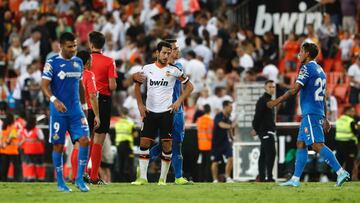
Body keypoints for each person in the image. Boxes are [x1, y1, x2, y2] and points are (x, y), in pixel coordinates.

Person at [268, 42, 350, 187]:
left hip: (311, 113)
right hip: (315, 112)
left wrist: (276, 101)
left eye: (301, 51)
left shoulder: (306, 68)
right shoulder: (320, 70)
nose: (298, 54)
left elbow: (294, 90)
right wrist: (324, 116)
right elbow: (323, 96)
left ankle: (340, 172)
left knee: (316, 144)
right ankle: (295, 179)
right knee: (300, 144)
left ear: (307, 54)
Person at [131, 41, 193, 185]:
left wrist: (178, 102)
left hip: (168, 112)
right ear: (157, 53)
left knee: (169, 145)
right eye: (164, 53)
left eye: (169, 53)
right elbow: (136, 84)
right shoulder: (147, 68)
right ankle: (142, 178)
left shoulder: (175, 69)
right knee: (144, 142)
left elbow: (189, 86)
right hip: (150, 112)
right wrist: (140, 105)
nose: (167, 55)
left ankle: (165, 179)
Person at [41, 32, 90, 192]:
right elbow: (44, 86)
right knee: (58, 146)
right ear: (61, 46)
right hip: (58, 112)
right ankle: (61, 182)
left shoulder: (78, 62)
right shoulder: (52, 62)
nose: (73, 49)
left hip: (76, 111)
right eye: (70, 46)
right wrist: (54, 100)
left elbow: (81, 85)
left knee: (85, 140)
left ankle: (79, 179)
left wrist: (84, 106)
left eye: (75, 45)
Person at [88, 31, 117, 185]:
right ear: (102, 45)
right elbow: (112, 85)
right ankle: (94, 177)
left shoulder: (84, 60)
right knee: (99, 140)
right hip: (103, 100)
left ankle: (80, 174)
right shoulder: (109, 61)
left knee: (85, 139)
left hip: (87, 100)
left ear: (90, 44)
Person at [71, 50, 100, 183]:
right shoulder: (88, 74)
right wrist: (97, 116)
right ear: (87, 62)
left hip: (71, 111)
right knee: (85, 143)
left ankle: (74, 176)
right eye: (91, 60)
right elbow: (93, 96)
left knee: (76, 144)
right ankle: (81, 175)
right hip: (86, 111)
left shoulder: (70, 74)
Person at [252, 80, 276, 182]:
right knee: (271, 153)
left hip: (268, 131)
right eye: (269, 87)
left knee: (264, 154)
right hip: (265, 131)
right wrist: (255, 128)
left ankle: (262, 177)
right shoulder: (263, 100)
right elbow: (257, 116)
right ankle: (269, 177)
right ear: (265, 88)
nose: (272, 89)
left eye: (273, 87)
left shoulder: (269, 100)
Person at [211, 100, 235, 183]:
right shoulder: (219, 115)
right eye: (230, 107)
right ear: (225, 107)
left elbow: (229, 130)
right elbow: (221, 125)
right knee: (215, 161)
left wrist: (232, 138)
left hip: (225, 142)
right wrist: (231, 126)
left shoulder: (229, 117)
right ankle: (215, 179)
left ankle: (228, 177)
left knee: (231, 158)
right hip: (217, 142)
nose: (231, 108)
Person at [20, 114, 46, 182]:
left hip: (28, 150)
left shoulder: (24, 130)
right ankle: (40, 178)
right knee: (39, 165)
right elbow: (42, 139)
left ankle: (31, 177)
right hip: (38, 150)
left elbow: (21, 137)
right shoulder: (37, 130)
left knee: (30, 164)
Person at [335, 106, 359, 178]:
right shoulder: (351, 121)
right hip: (349, 144)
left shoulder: (339, 119)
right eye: (352, 111)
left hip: (339, 143)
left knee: (338, 162)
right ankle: (348, 179)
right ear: (347, 111)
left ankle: (334, 178)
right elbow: (356, 133)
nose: (353, 112)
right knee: (349, 163)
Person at [115, 108, 137, 182]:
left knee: (120, 163)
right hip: (128, 145)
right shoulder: (130, 123)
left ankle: (120, 180)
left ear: (121, 114)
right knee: (129, 163)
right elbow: (135, 134)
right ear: (127, 113)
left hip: (119, 145)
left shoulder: (117, 122)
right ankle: (130, 180)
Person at [0, 112, 21, 182]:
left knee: (4, 167)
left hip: (3, 150)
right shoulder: (13, 127)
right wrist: (6, 143)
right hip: (12, 150)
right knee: (16, 167)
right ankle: (17, 180)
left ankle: (3, 180)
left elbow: (1, 137)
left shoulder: (4, 127)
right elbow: (11, 137)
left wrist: (2, 145)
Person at [196, 104, 213, 182]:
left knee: (202, 163)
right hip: (208, 145)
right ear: (210, 111)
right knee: (207, 163)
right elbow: (210, 134)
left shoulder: (199, 120)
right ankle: (207, 179)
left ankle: (200, 179)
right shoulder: (210, 121)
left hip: (200, 145)